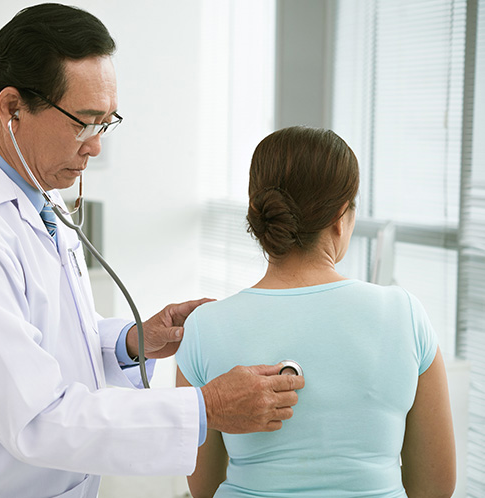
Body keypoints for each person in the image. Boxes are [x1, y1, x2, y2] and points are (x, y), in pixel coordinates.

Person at [0, 4, 303, 498]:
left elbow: (45, 337)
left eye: (106, 123)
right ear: (11, 107)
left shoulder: (38, 196)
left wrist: (131, 341)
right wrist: (205, 408)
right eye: (83, 123)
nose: (95, 147)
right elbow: (38, 419)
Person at [176, 126, 456, 498]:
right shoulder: (404, 314)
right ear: (341, 217)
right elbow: (434, 488)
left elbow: (204, 487)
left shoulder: (202, 328)